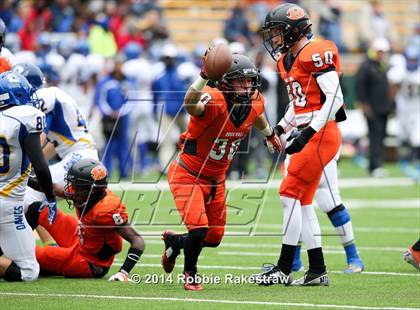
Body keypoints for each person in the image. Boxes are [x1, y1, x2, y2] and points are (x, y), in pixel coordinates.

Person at [161, 52, 282, 290]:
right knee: (198, 229)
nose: (247, 87)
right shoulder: (213, 98)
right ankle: (191, 275)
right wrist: (204, 76)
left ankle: (175, 242)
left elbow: (255, 115)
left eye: (249, 81)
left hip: (216, 178)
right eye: (241, 81)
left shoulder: (254, 100)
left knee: (213, 238)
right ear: (225, 81)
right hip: (188, 174)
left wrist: (269, 134)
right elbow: (190, 105)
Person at [256, 3, 347, 286]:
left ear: (294, 32)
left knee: (288, 195)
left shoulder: (315, 52)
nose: (275, 39)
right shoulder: (288, 60)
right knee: (303, 202)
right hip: (311, 129)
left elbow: (334, 99)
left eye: (278, 32)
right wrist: (282, 126)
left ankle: (284, 267)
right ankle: (317, 269)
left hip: (321, 132)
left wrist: (307, 133)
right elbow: (301, 102)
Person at [25, 158, 145, 280]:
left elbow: (138, 241)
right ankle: (15, 238)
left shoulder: (106, 210)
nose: (72, 188)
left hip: (90, 262)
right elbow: (53, 188)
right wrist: (23, 179)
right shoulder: (86, 193)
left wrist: (123, 273)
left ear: (92, 189)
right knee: (39, 209)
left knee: (30, 255)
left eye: (77, 186)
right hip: (82, 239)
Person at [0, 71, 57, 282]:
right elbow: (41, 166)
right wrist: (50, 196)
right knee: (28, 272)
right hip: (7, 205)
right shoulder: (25, 116)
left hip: (7, 201)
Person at [355, 37, 392, 177]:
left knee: (381, 136)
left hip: (383, 108)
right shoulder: (366, 66)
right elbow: (360, 87)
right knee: (375, 137)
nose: (382, 54)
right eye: (380, 51)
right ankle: (375, 165)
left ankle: (376, 165)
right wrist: (364, 105)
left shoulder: (382, 65)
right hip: (372, 108)